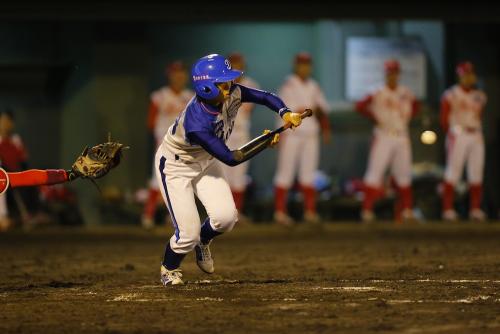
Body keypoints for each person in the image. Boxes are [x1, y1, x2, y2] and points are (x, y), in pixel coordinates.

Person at [156, 53, 303, 286]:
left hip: (204, 162)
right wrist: (265, 142)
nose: (231, 85)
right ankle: (169, 268)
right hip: (176, 167)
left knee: (226, 219)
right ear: (207, 87)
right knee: (187, 234)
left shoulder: (232, 92)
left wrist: (286, 112)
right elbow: (231, 158)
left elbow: (264, 97)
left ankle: (204, 242)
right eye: (222, 82)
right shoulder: (197, 122)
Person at [355, 59, 419, 223]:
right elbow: (360, 106)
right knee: (375, 173)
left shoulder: (406, 92)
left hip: (401, 135)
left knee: (404, 174)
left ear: (398, 74)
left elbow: (417, 107)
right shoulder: (377, 91)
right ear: (385, 74)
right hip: (383, 135)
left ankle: (407, 210)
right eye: (389, 72)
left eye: (395, 72)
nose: (392, 76)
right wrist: (373, 118)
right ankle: (367, 210)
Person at [273, 52, 331, 225]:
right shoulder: (288, 85)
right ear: (296, 66)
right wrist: (279, 134)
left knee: (308, 175)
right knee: (285, 174)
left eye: (307, 64)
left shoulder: (314, 86)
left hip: (311, 134)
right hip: (292, 134)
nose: (305, 67)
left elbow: (323, 109)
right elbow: (282, 112)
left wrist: (326, 128)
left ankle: (310, 212)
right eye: (302, 64)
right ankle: (280, 213)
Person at [142, 61, 193, 229]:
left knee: (184, 181)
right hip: (164, 144)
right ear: (169, 75)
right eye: (175, 73)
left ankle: (176, 218)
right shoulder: (160, 95)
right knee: (158, 180)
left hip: (184, 146)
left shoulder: (191, 96)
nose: (179, 76)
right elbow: (150, 122)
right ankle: (148, 216)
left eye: (181, 73)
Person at [440, 61, 487, 222]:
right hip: (458, 133)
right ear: (460, 76)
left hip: (475, 133)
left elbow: (480, 116)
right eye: (465, 74)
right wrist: (452, 133)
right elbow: (444, 120)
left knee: (476, 172)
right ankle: (448, 209)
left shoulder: (480, 96)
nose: (468, 77)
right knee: (453, 171)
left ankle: (475, 209)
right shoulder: (451, 94)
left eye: (470, 74)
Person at [219, 52, 259, 222]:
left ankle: (236, 213)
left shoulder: (251, 85)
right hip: (224, 134)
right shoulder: (220, 85)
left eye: (240, 65)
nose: (237, 68)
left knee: (239, 176)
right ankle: (222, 213)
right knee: (223, 175)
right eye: (234, 65)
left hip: (242, 134)